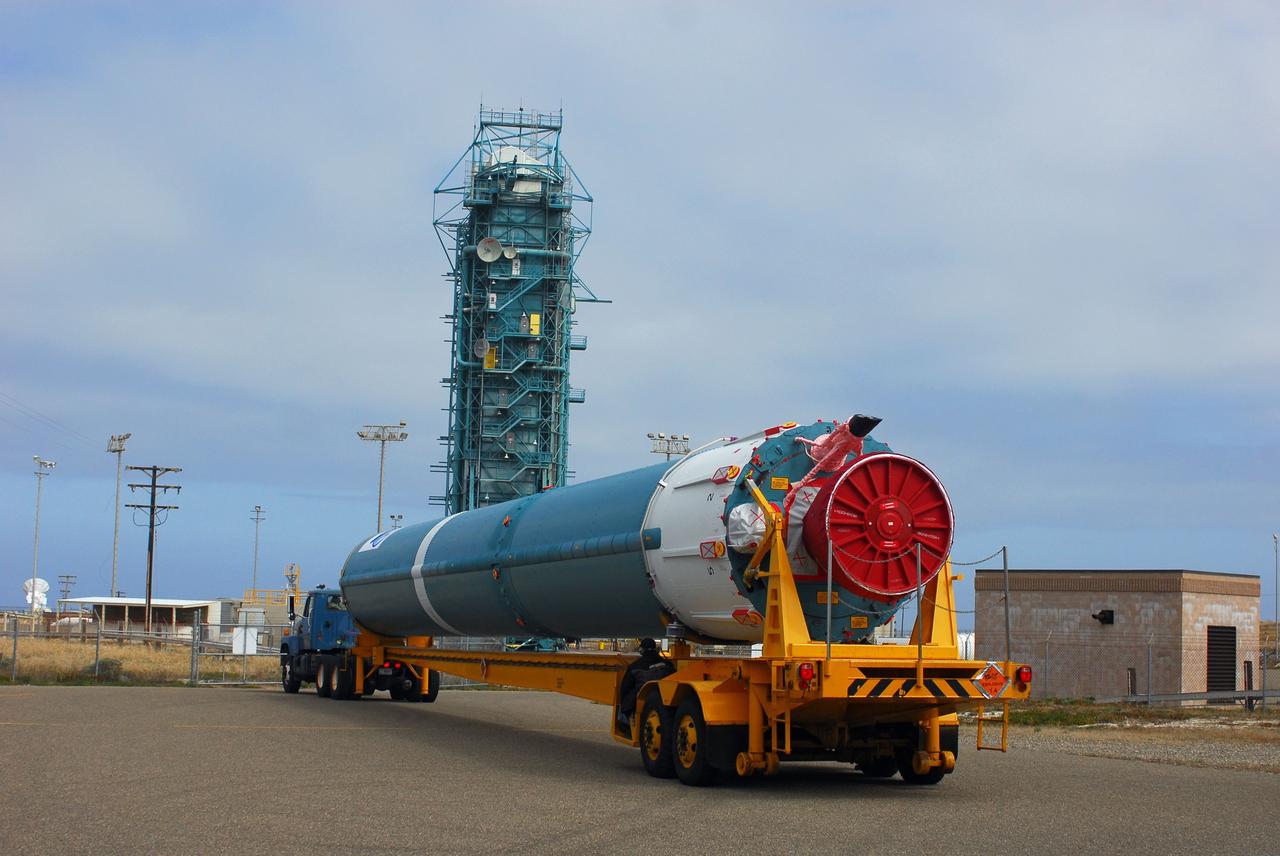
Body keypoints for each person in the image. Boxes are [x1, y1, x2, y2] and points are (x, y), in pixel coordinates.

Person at [616, 638, 667, 729]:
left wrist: (624, 703)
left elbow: (625, 687)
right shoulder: (666, 664)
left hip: (640, 697)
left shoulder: (635, 666)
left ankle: (624, 724)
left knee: (625, 700)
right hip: (662, 697)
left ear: (642, 650)